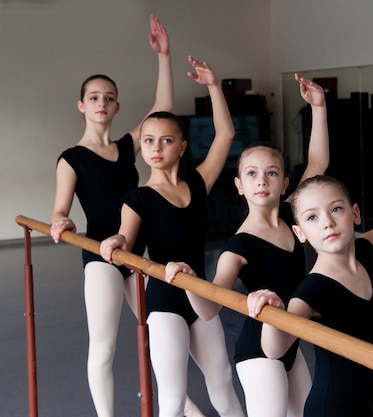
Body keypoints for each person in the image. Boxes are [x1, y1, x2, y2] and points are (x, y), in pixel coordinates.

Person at [47, 14, 210, 417]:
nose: (102, 102)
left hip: (139, 255)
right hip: (102, 254)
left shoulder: (126, 147)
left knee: (161, 334)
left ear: (116, 106)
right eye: (94, 96)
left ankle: (183, 406)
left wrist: (164, 56)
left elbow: (163, 108)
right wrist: (60, 222)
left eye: (109, 97)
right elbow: (59, 209)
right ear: (82, 105)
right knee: (104, 345)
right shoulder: (71, 159)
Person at [165, 74, 329, 417]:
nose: (262, 181)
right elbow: (209, 310)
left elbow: (317, 163)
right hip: (258, 351)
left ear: (285, 184)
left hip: (290, 343)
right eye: (252, 174)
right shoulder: (238, 245)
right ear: (239, 185)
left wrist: (318, 107)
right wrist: (188, 279)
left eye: (271, 173)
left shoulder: (291, 214)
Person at [246, 110, 373, 417]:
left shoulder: (365, 251)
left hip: (367, 406)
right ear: (300, 233)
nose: (328, 222)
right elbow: (275, 349)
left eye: (336, 209)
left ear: (354, 213)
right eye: (313, 217)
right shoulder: (313, 289)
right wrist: (270, 312)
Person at [100, 57, 245, 417]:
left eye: (166, 140)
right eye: (148, 140)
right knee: (173, 396)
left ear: (181, 147)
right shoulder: (137, 198)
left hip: (200, 294)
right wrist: (116, 243)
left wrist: (214, 86)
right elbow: (124, 241)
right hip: (164, 301)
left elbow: (225, 135)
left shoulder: (196, 183)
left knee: (222, 383)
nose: (156, 147)